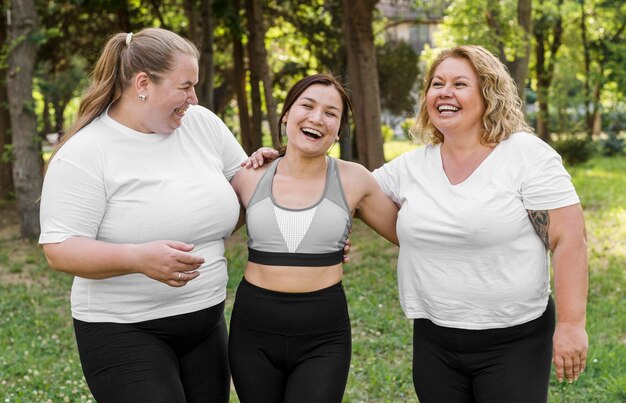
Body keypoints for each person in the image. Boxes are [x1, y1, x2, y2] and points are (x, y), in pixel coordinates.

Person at [246, 45, 589, 402]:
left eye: (460, 84)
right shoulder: (409, 168)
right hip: (434, 339)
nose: (445, 92)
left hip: (515, 337)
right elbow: (340, 194)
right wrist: (284, 161)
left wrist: (570, 324)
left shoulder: (525, 155)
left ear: (488, 93)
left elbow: (569, 239)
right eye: (437, 83)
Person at [39, 28, 247, 403]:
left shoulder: (202, 125)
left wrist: (282, 189)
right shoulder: (86, 152)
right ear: (142, 83)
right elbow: (60, 248)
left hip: (205, 322)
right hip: (122, 331)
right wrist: (137, 258)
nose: (193, 98)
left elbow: (248, 187)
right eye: (185, 86)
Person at [228, 73, 399, 403]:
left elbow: (411, 234)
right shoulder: (249, 176)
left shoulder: (354, 180)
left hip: (323, 333)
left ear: (338, 131)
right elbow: (205, 231)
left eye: (331, 113)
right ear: (286, 115)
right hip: (253, 330)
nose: (317, 118)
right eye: (306, 106)